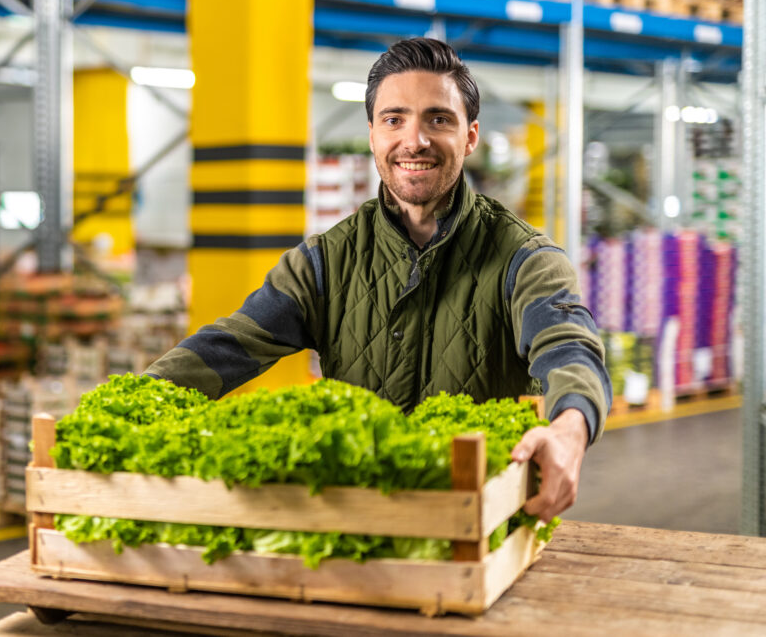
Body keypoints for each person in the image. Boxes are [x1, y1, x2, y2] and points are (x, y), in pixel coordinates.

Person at [146, 37, 610, 523]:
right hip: (355, 530)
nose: (415, 140)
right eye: (394, 120)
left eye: (438, 119)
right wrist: (134, 399)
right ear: (372, 134)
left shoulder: (525, 259)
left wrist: (569, 429)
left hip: (476, 529)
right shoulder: (325, 261)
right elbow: (228, 345)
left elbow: (571, 349)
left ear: (470, 136)